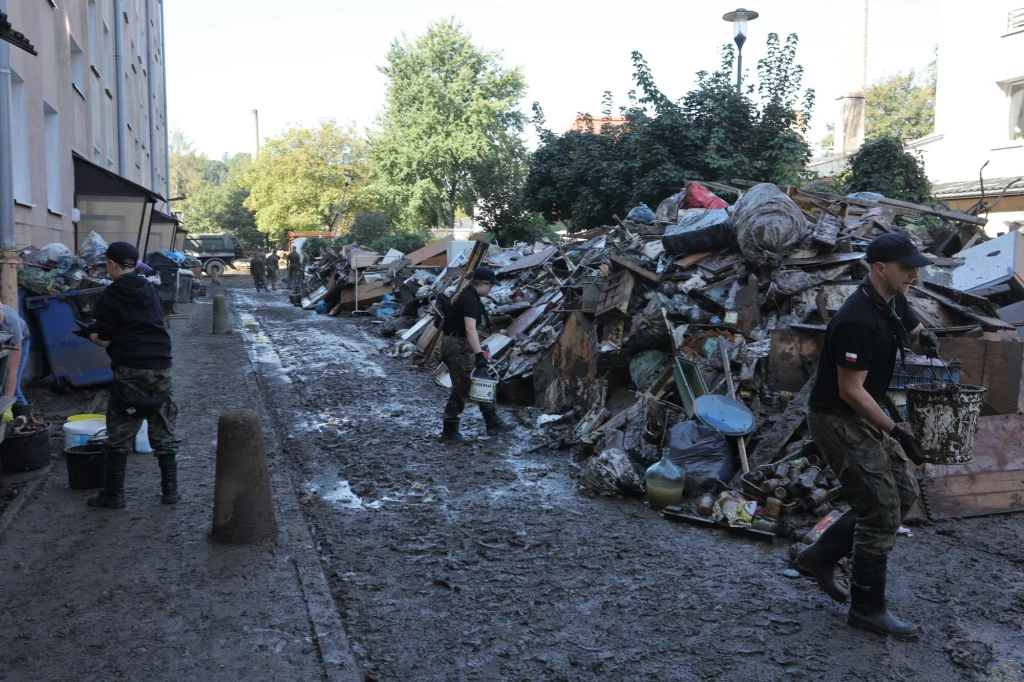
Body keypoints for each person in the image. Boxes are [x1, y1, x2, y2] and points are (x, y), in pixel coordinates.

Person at [797, 233, 940, 641]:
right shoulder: (857, 319)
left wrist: (923, 338)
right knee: (879, 505)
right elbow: (850, 391)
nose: (915, 274)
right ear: (880, 269)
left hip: (862, 413)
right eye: (907, 267)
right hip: (838, 417)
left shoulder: (892, 297)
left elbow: (910, 328)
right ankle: (867, 608)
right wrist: (898, 432)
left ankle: (820, 556)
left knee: (902, 492)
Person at [79, 242, 180, 509]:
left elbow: (106, 339)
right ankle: (171, 491)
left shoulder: (112, 295)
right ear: (135, 263)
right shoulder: (149, 288)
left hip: (131, 367)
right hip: (161, 363)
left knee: (120, 430)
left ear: (112, 264)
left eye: (107, 265)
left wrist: (89, 334)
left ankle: (114, 495)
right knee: (162, 425)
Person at [438, 267, 513, 440]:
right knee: (463, 386)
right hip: (457, 346)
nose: (491, 289)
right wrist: (479, 354)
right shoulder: (469, 299)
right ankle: (449, 429)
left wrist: (480, 351)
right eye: (490, 286)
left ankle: (493, 422)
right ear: (484, 283)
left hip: (461, 343)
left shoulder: (466, 295)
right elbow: (470, 329)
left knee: (482, 378)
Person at [0, 303, 31, 407]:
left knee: (13, 390)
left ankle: (25, 419)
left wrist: (6, 406)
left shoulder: (11, 322)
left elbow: (11, 372)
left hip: (19, 339)